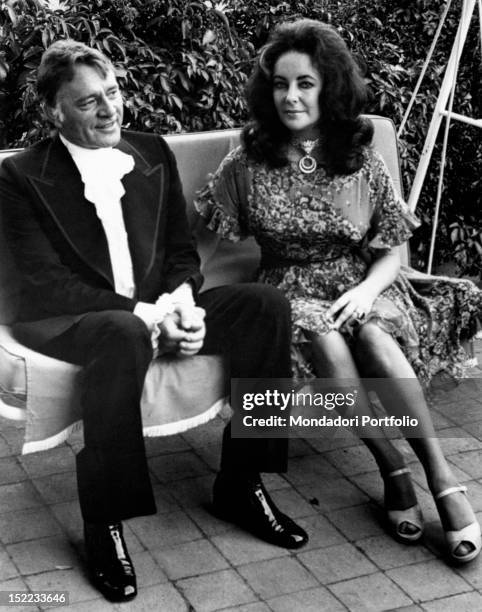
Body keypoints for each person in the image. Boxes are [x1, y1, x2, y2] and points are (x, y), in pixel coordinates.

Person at [0, 40, 309, 603]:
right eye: (89, 102)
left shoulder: (151, 152)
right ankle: (105, 521)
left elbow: (180, 254)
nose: (109, 110)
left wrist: (184, 305)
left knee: (265, 306)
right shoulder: (20, 176)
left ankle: (242, 484)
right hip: (73, 319)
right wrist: (148, 318)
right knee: (120, 333)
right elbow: (45, 284)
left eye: (113, 93)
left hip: (157, 309)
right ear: (54, 111)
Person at [195, 19, 482, 564]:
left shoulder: (359, 156)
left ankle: (439, 477)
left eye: (305, 83)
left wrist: (369, 292)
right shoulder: (247, 160)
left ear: (329, 85)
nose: (291, 96)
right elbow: (203, 245)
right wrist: (182, 298)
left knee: (372, 336)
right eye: (280, 84)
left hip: (361, 283)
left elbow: (390, 250)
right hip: (289, 289)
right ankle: (391, 466)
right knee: (324, 337)